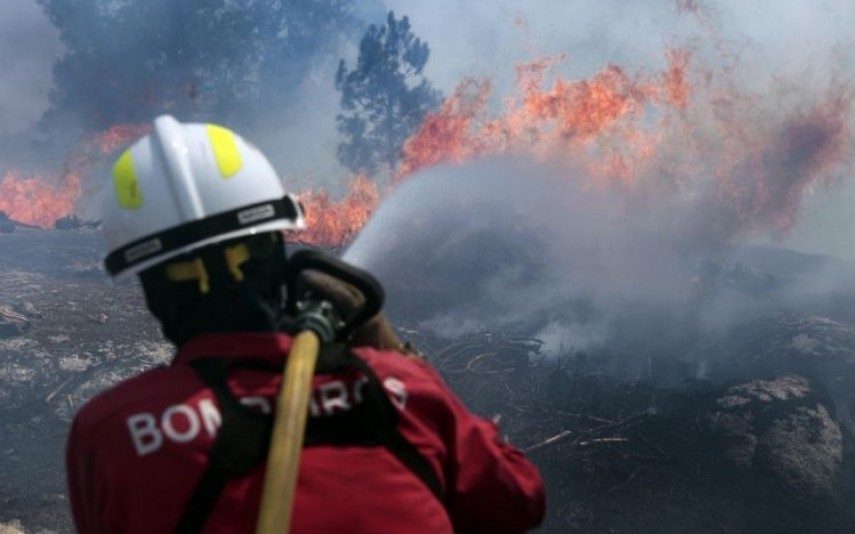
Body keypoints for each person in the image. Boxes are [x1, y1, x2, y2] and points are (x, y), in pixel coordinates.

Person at [66, 115, 545, 533]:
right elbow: (519, 502)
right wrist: (392, 350)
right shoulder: (400, 390)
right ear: (277, 251)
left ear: (152, 287)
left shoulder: (111, 432)